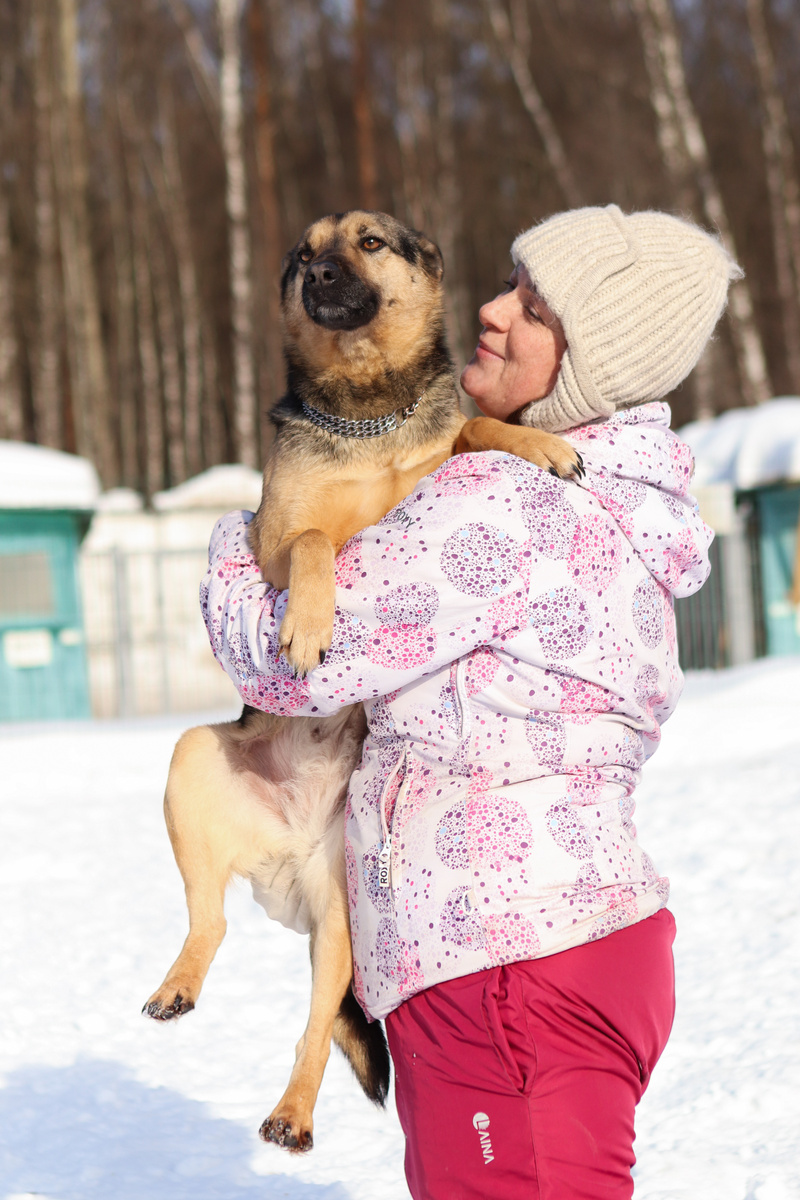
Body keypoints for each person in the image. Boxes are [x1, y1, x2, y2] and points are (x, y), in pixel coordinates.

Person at [201, 205, 736, 1199]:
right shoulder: (627, 490)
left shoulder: (499, 502)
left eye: (532, 310)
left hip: (501, 967)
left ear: (589, 361)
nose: (490, 312)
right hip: (571, 947)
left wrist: (237, 546)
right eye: (506, 284)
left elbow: (287, 666)